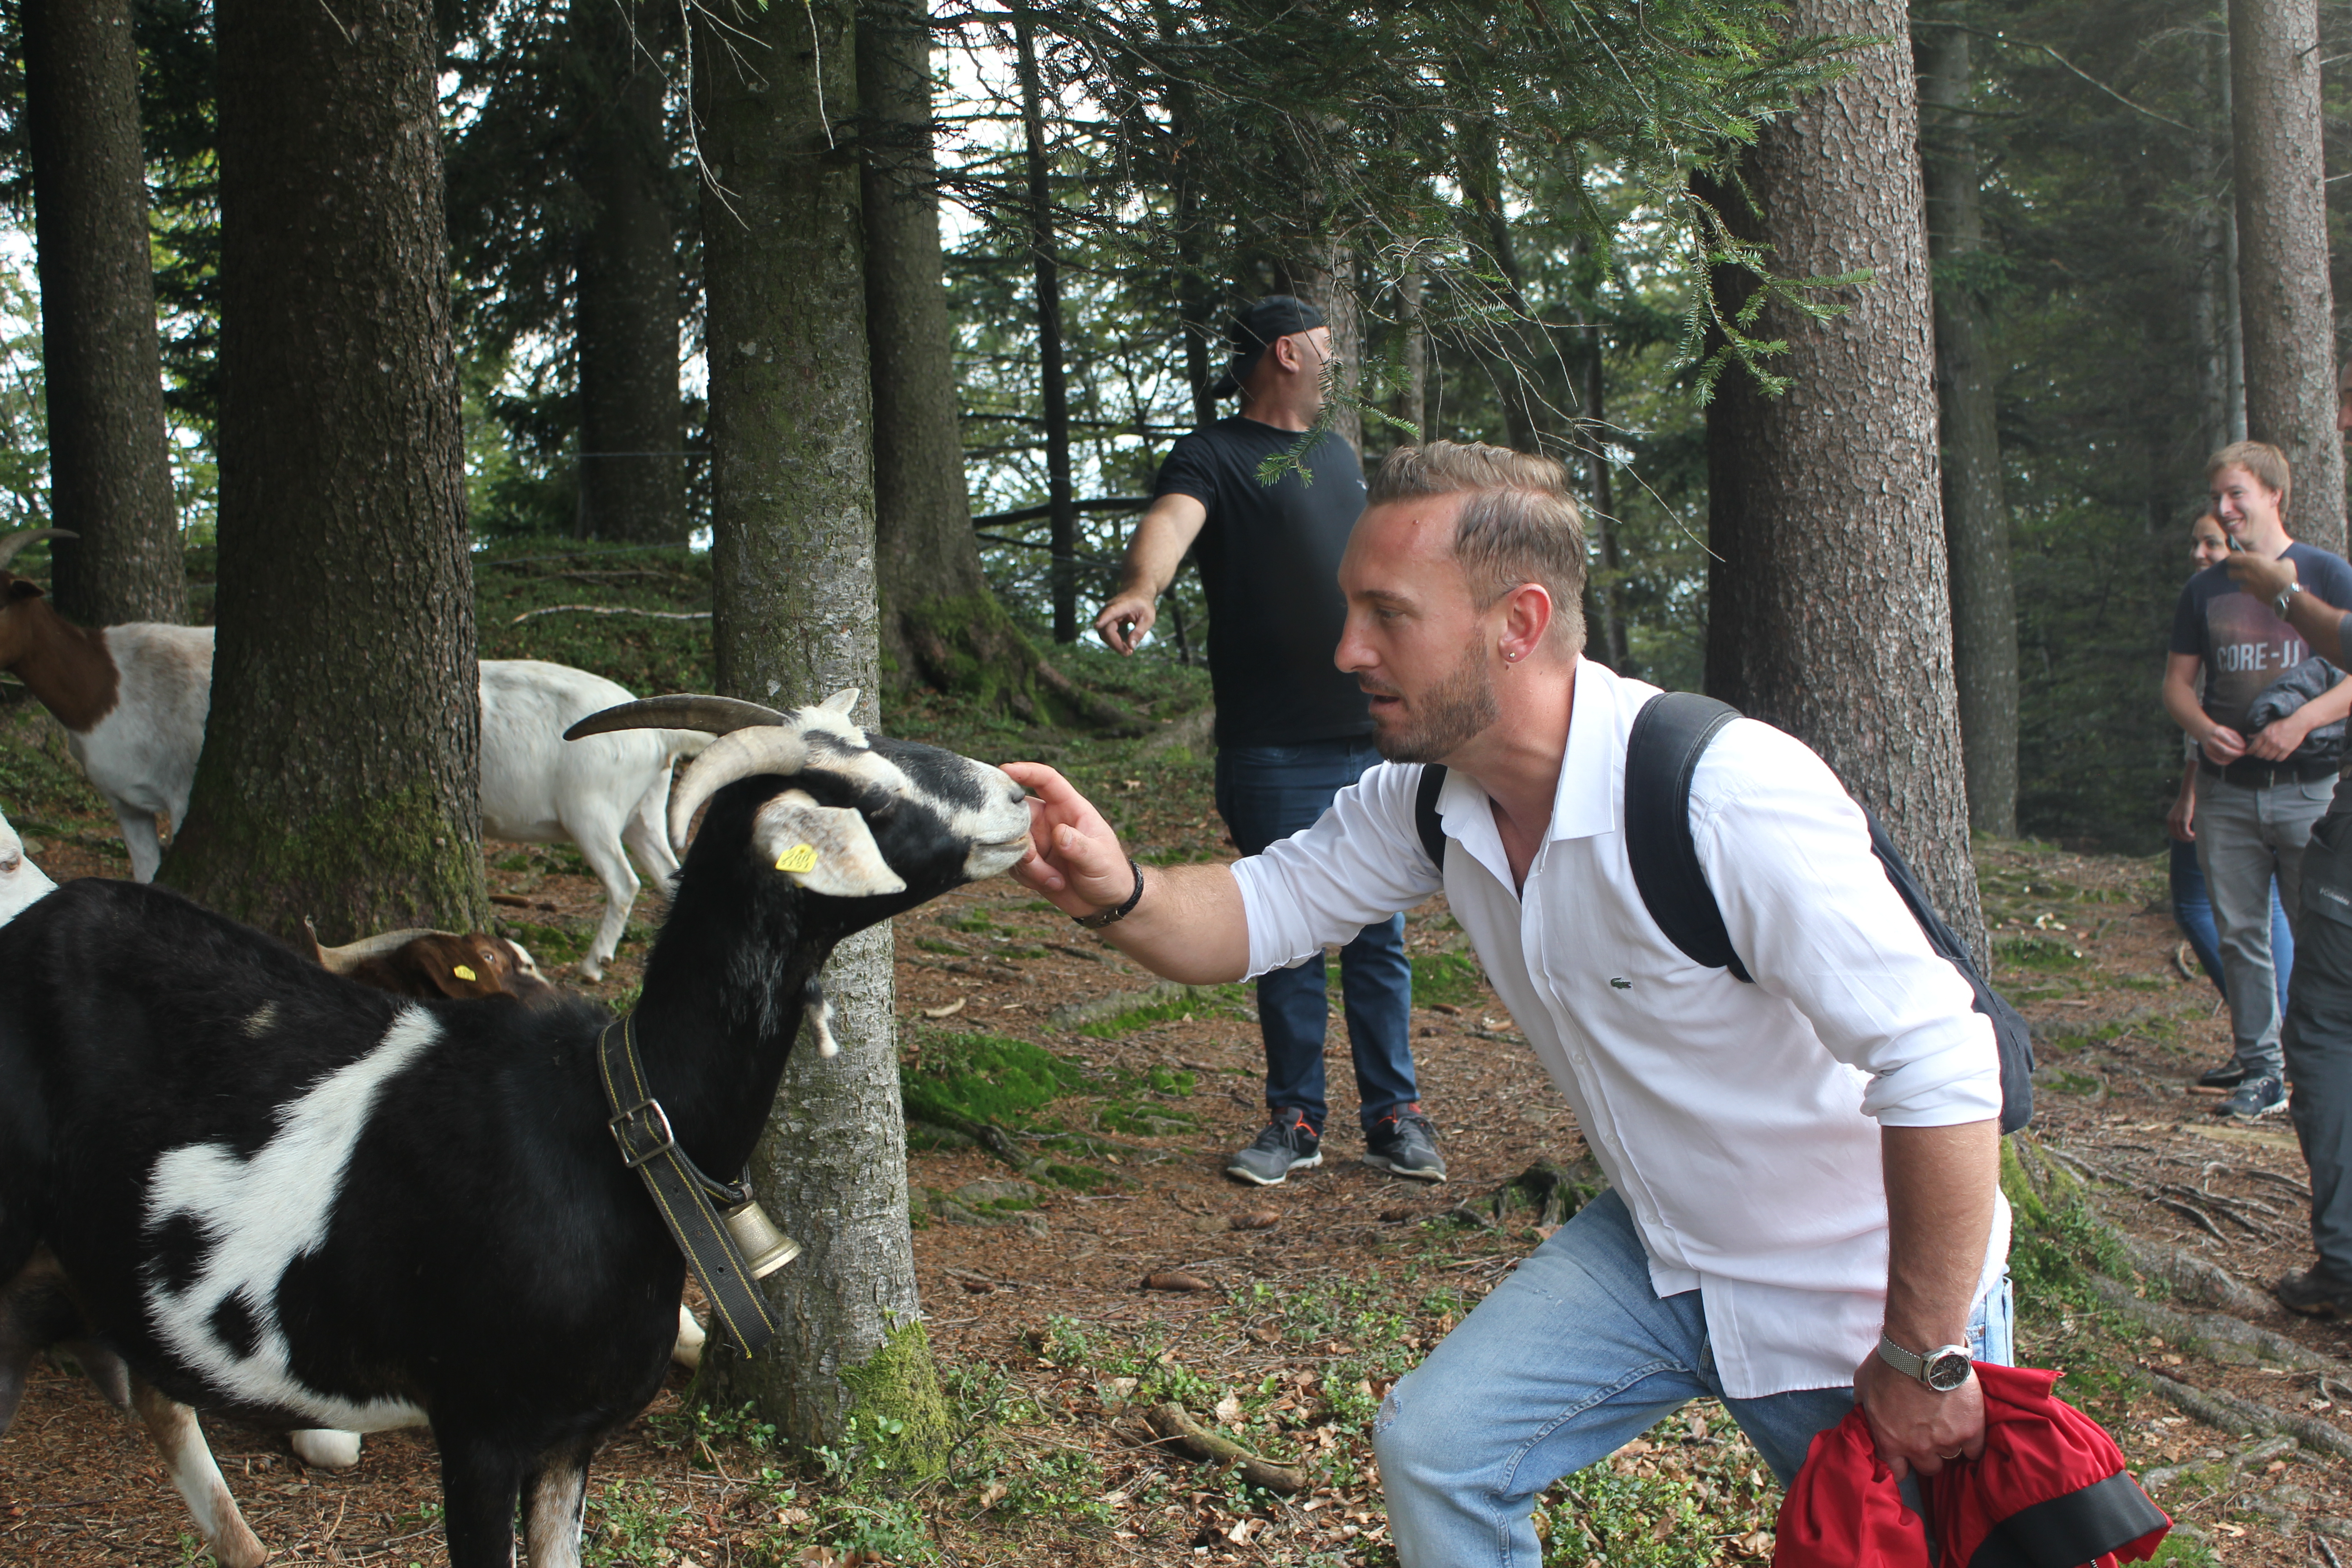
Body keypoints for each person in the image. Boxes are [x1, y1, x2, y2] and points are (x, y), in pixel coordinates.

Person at [1017, 441, 2010, 1563]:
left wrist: (1924, 1352)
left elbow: (1940, 1060)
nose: (1345, 649)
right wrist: (1120, 889)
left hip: (1857, 1302)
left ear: (1517, 621)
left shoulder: (1726, 794)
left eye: (1386, 614)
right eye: (1350, 609)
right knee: (1442, 1447)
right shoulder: (1430, 800)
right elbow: (1261, 908)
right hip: (1660, 1248)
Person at [1092, 295, 1441, 1187]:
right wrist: (1142, 590)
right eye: (1326, 346)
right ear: (1288, 352)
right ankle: (1294, 1120)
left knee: (1377, 937)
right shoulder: (1212, 455)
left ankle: (1395, 1117)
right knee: (1282, 933)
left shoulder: (1334, 455)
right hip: (1274, 750)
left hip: (1371, 738)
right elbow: (1169, 527)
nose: (1336, 360)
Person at [2163, 442, 2352, 1116]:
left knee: (2323, 931)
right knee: (2241, 934)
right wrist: (2203, 729)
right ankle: (2261, 1071)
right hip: (2229, 794)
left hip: (2313, 790)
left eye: (2237, 494)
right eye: (2218, 496)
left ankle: (2322, 1069)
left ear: (2275, 494)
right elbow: (2177, 683)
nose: (2224, 508)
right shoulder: (2205, 589)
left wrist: (2301, 722)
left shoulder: (2325, 573)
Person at [2169, 510, 2295, 1011]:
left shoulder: (2228, 613)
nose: (2200, 554)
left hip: (2228, 786)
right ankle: (2270, 1039)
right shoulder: (2205, 602)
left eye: (2213, 544)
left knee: (2199, 904)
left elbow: (2220, 717)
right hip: (2226, 781)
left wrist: (2190, 793)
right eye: (2196, 543)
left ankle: (2271, 1029)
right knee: (2267, 912)